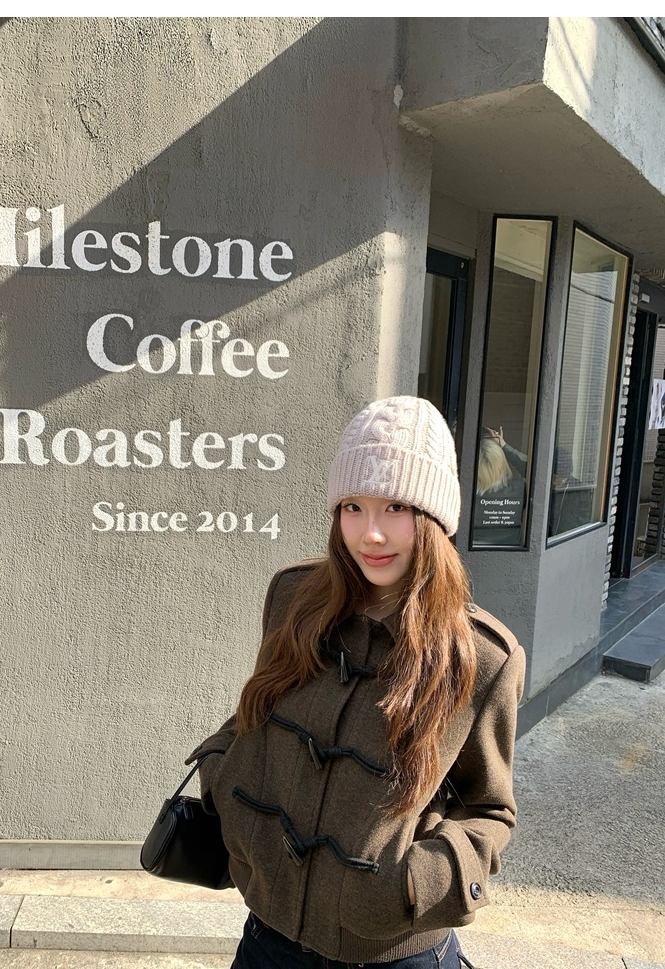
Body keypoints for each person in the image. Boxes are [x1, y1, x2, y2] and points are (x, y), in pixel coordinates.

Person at [187, 397, 526, 969]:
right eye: (352, 506)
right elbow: (256, 713)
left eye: (396, 506)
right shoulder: (293, 598)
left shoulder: (482, 657)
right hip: (269, 937)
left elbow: (488, 807)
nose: (370, 533)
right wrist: (225, 779)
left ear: (433, 518)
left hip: (393, 950)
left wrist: (415, 882)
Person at [473, 434, 526, 546]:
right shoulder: (519, 489)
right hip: (511, 549)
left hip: (471, 548)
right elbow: (536, 471)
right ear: (502, 464)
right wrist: (505, 447)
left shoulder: (464, 493)